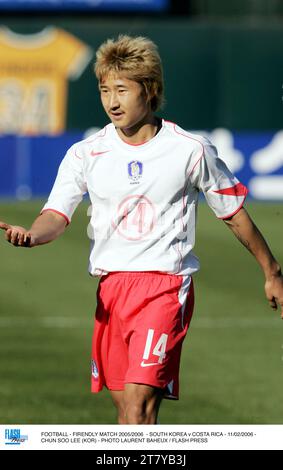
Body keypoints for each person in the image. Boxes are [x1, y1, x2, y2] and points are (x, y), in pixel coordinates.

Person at [1, 35, 283, 425]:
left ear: (149, 90)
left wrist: (271, 272)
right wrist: (33, 234)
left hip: (165, 287)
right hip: (111, 290)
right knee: (128, 414)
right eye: (104, 90)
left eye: (121, 90)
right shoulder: (86, 153)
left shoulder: (190, 149)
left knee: (137, 406)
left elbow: (233, 213)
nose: (111, 101)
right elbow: (56, 214)